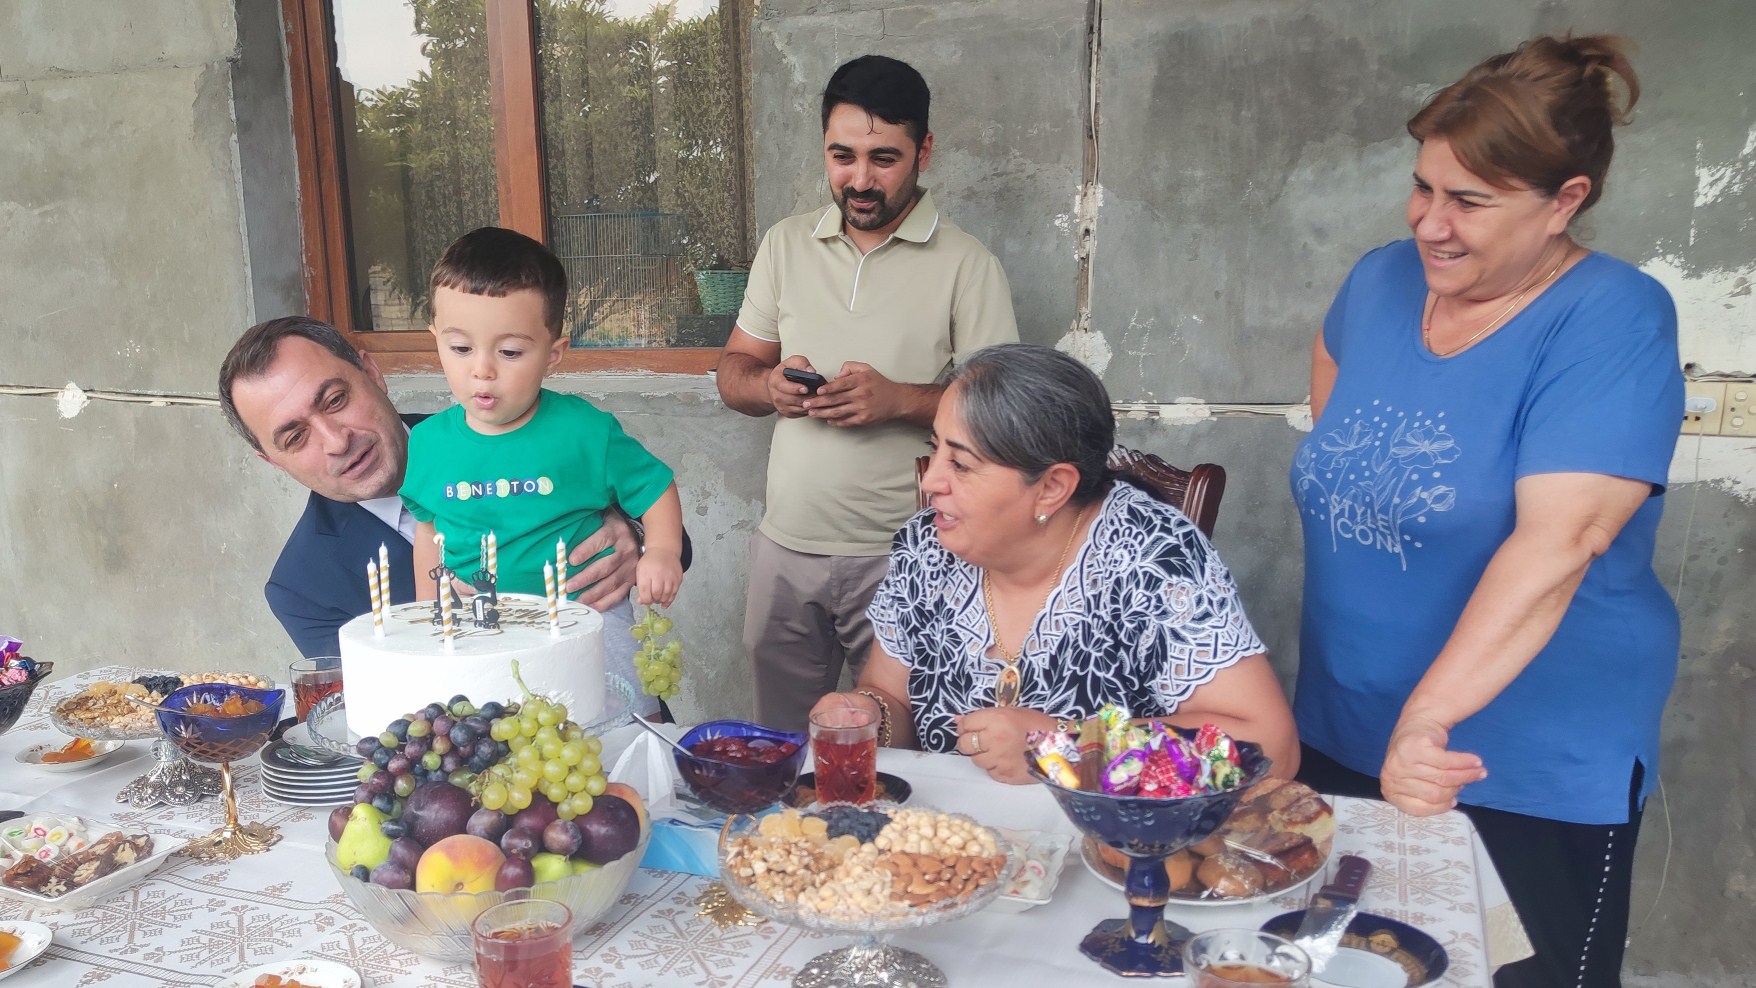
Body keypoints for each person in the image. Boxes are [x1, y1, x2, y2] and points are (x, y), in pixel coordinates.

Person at [1289, 35, 1681, 988]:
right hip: (1344, 725)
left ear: (1565, 201)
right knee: (1325, 972)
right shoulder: (1377, 283)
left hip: (1513, 760)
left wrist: (1428, 719)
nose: (1432, 223)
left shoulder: (1614, 318)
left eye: (1469, 201)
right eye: (1423, 188)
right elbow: (1340, 444)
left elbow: (1564, 541)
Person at [811, 344, 1298, 784]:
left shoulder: (1151, 557)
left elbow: (1269, 746)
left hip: (1102, 838)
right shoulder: (928, 546)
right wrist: (865, 713)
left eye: (961, 464)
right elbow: (891, 694)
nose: (931, 481)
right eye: (934, 449)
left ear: (1051, 487)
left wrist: (1069, 747)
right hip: (952, 840)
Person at [717, 55, 1019, 730]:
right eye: (842, 156)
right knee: (782, 746)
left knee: (900, 752)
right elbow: (734, 373)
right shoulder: (785, 245)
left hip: (910, 555)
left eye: (884, 158)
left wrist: (899, 400)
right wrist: (770, 386)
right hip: (784, 548)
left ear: (924, 152)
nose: (859, 179)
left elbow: (1003, 414)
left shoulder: (968, 264)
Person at [220, 317, 685, 663]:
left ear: (372, 373)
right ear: (271, 461)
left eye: (336, 400)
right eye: (296, 437)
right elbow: (383, 716)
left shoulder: (513, 429)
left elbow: (667, 528)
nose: (336, 441)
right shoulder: (303, 588)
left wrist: (635, 539)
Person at [398, 227, 685, 711]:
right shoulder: (428, 443)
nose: (482, 370)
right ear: (435, 341)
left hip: (587, 615)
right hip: (477, 626)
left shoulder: (584, 430)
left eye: (509, 352)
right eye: (461, 348)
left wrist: (661, 551)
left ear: (553, 353)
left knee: (621, 724)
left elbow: (655, 487)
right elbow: (429, 530)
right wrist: (432, 612)